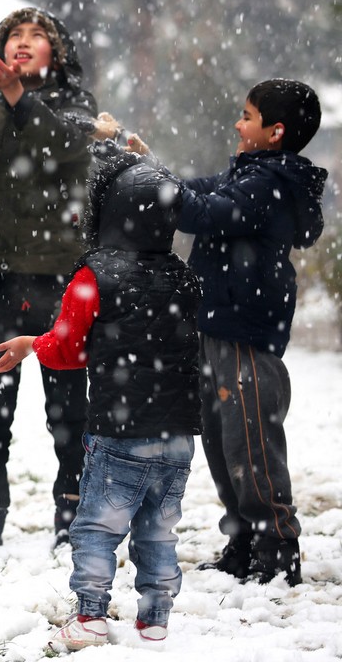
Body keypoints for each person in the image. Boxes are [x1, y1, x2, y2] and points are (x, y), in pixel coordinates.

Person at [0, 143, 202, 648]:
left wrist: (29, 344)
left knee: (97, 528)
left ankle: (89, 614)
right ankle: (154, 618)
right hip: (177, 436)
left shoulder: (94, 276)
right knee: (159, 529)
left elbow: (66, 350)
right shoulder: (185, 277)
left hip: (119, 432)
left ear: (104, 211)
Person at [0, 7, 112, 550]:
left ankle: (74, 518)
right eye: (14, 35)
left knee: (67, 403)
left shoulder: (77, 105)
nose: (25, 42)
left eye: (38, 36)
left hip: (57, 271)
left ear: (56, 54)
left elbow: (60, 145)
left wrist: (16, 94)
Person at [171, 79, 326, 586]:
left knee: (251, 444)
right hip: (217, 323)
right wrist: (154, 172)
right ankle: (241, 538)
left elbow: (203, 212)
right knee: (220, 442)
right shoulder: (251, 173)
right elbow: (200, 189)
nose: (237, 124)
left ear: (275, 132)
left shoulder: (272, 184)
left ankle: (276, 546)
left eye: (246, 116)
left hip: (245, 332)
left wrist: (157, 190)